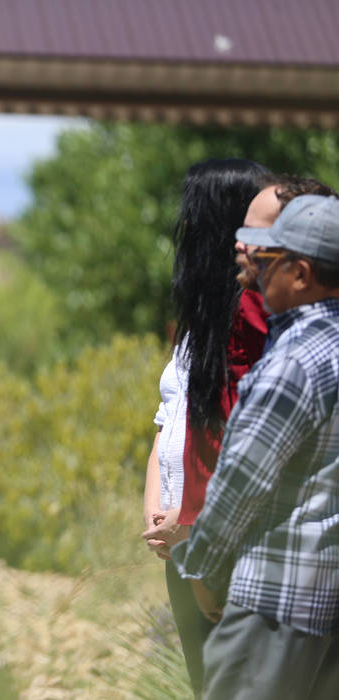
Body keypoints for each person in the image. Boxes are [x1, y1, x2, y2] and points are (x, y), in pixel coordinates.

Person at [171, 194, 339, 698]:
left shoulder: (294, 363)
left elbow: (240, 485)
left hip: (271, 607)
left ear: (302, 274)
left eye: (268, 261)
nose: (256, 271)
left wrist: (200, 574)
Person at [140, 158, 272, 698]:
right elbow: (172, 420)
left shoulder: (252, 313)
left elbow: (238, 437)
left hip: (219, 544)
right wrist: (155, 510)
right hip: (182, 539)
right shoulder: (203, 318)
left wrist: (197, 536)